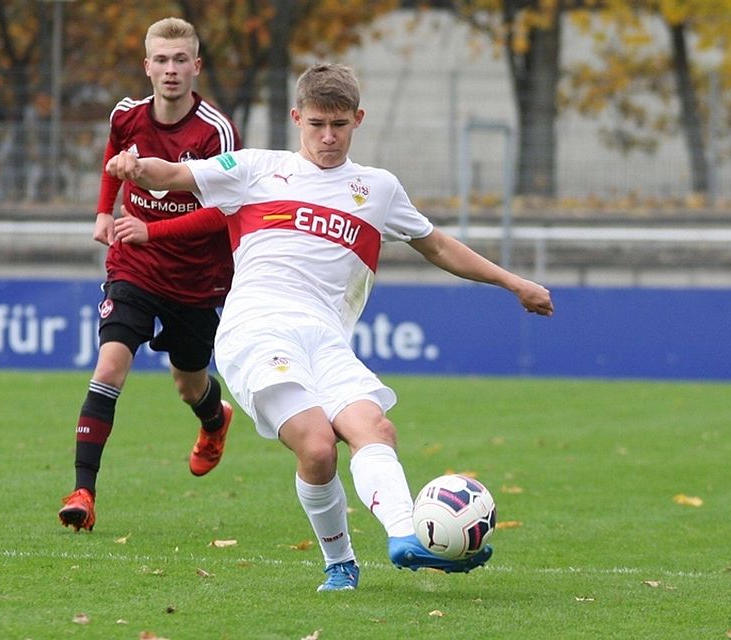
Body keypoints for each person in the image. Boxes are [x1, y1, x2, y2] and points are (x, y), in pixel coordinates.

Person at [105, 63, 554, 589]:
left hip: (325, 338)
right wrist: (135, 167)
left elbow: (437, 246)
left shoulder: (379, 188)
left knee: (375, 428)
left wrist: (513, 283)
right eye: (316, 123)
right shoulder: (254, 168)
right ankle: (340, 561)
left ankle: (406, 538)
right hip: (256, 329)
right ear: (296, 117)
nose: (327, 137)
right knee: (317, 446)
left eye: (339, 125)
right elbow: (174, 175)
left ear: (358, 119)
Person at [58, 17, 242, 532]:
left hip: (196, 278)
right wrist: (103, 211)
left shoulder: (216, 131)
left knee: (189, 383)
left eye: (180, 60)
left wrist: (152, 231)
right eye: (161, 60)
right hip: (133, 267)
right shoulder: (126, 114)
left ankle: (214, 418)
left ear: (196, 66)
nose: (171, 70)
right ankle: (83, 492)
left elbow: (223, 212)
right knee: (109, 365)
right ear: (147, 66)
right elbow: (114, 160)